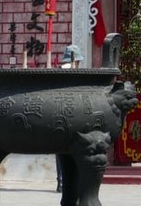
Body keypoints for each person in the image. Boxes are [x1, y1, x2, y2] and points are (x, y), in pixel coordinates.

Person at [56, 45, 84, 192]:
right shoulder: (73, 72)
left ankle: (61, 182)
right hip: (71, 115)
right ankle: (70, 181)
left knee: (60, 151)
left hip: (58, 115)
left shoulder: (58, 71)